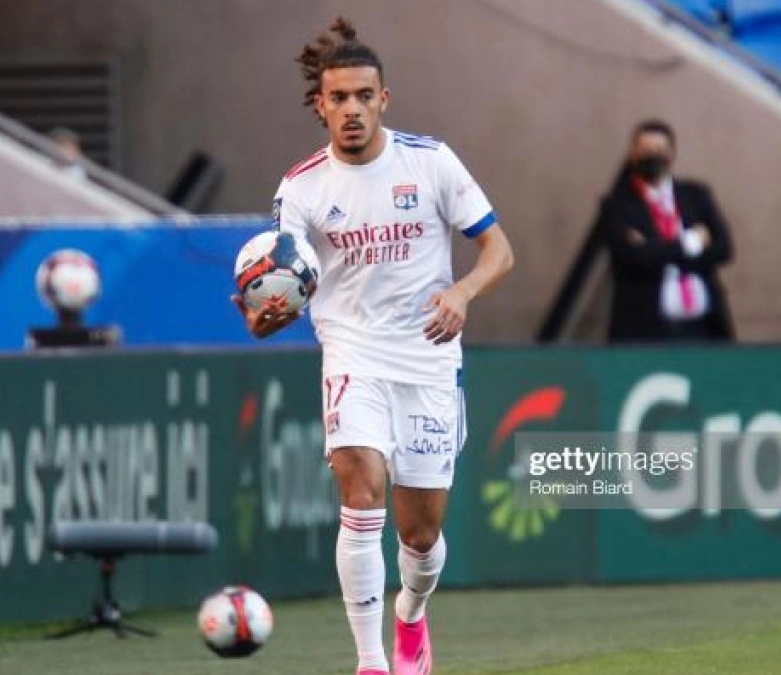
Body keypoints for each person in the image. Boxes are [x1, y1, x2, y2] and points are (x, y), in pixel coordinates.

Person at [232, 17, 514, 675]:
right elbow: (281, 277)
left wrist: (463, 292)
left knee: (420, 535)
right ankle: (370, 661)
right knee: (360, 492)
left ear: (384, 98)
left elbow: (499, 250)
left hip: (428, 357)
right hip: (353, 353)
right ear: (319, 105)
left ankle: (411, 616)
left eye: (365, 96)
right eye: (339, 98)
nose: (352, 109)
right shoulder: (299, 188)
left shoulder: (431, 161)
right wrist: (264, 315)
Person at [596, 119, 735, 342]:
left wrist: (655, 249)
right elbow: (634, 258)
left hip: (704, 330)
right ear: (633, 153)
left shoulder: (696, 195)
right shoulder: (616, 205)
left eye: (659, 150)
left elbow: (723, 248)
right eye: (646, 150)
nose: (652, 156)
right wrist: (691, 243)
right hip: (646, 333)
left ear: (672, 154)